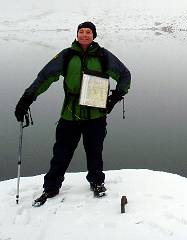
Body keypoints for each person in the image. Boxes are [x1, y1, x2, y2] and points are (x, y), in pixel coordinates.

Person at [14, 21, 131, 207]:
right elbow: (46, 76)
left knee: (95, 152)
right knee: (61, 153)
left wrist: (116, 96)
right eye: (81, 32)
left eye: (88, 32)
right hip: (70, 114)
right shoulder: (67, 55)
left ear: (94, 35)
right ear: (77, 34)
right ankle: (51, 187)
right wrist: (28, 97)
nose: (85, 35)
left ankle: (97, 182)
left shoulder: (103, 55)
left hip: (96, 116)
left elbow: (125, 74)